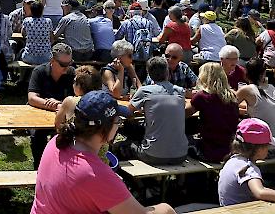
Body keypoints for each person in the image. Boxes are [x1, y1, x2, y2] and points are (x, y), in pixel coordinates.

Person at [32, 90, 175, 214]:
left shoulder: (56, 142)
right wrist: (166, 208)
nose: (119, 124)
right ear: (104, 128)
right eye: (118, 120)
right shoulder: (95, 174)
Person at [124, 57, 188, 165]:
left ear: (149, 74)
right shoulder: (180, 91)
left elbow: (127, 111)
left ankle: (127, 181)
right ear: (167, 72)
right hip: (180, 155)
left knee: (121, 145)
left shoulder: (145, 91)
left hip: (153, 155)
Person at [28, 43, 76, 169]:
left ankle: (62, 167)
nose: (67, 68)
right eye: (63, 64)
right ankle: (39, 168)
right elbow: (32, 98)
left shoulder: (72, 73)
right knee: (37, 136)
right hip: (39, 114)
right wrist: (54, 105)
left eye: (69, 63)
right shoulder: (39, 71)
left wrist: (60, 105)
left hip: (61, 116)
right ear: (52, 61)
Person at [185, 62, 239, 162]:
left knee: (186, 137)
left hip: (209, 152)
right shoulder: (232, 96)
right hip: (229, 150)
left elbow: (184, 114)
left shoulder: (202, 96)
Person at [218, 118, 275, 206]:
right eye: (267, 146)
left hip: (227, 208)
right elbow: (260, 192)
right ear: (259, 149)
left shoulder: (233, 160)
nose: (268, 150)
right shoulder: (247, 167)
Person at [236, 58, 275, 142]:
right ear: (264, 73)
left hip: (263, 144)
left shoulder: (247, 89)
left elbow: (228, 106)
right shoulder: (273, 88)